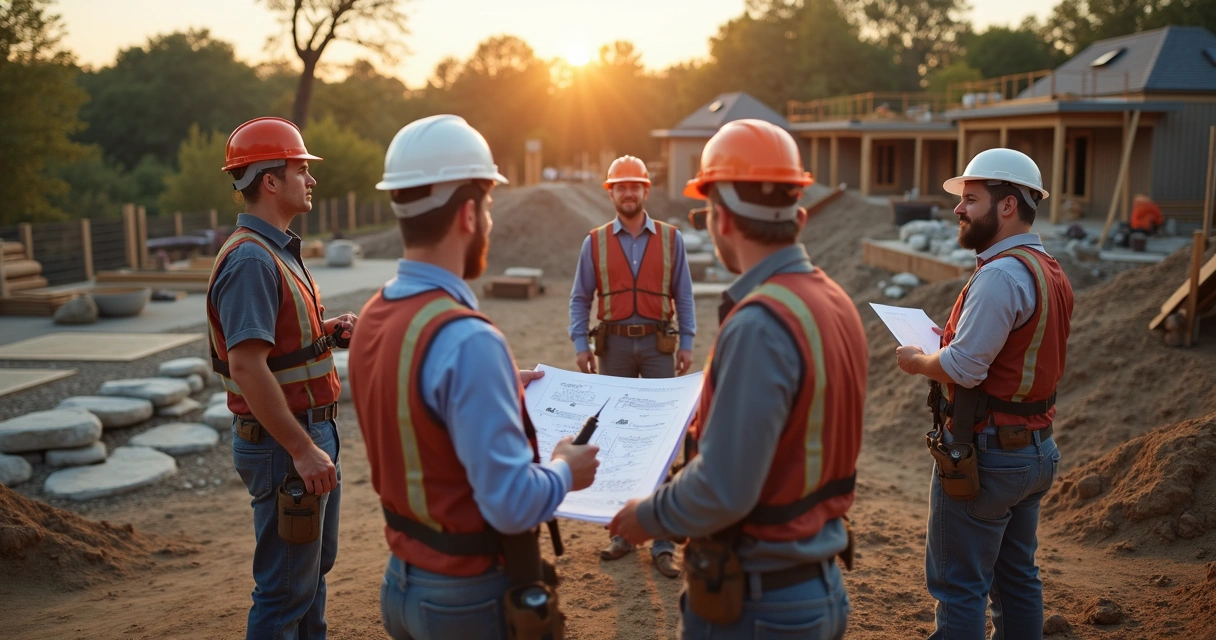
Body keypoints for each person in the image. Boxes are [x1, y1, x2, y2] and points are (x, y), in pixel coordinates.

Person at [609, 119, 867, 639]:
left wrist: (647, 515)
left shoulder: (759, 323)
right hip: (813, 583)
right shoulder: (832, 300)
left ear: (720, 219)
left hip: (758, 601)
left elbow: (723, 488)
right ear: (797, 214)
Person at [348, 114, 601, 640]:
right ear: (468, 214)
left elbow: (415, 402)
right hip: (465, 602)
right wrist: (563, 470)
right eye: (487, 208)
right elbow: (510, 506)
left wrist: (498, 384)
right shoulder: (468, 342)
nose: (489, 221)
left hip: (403, 584)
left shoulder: (376, 315)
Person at [894, 147, 1074, 639]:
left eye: (970, 198)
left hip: (990, 456)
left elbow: (964, 368)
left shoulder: (999, 275)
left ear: (1008, 205)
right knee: (1017, 577)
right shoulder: (1048, 269)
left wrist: (919, 362)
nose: (958, 209)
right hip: (1035, 451)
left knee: (959, 586)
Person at [207, 117, 355, 639]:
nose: (311, 180)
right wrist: (300, 448)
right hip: (285, 442)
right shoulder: (251, 259)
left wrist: (328, 330)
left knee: (311, 576)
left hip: (305, 435)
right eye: (301, 169)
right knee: (284, 589)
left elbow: (275, 346)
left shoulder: (274, 249)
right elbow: (247, 367)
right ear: (270, 180)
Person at [568, 154, 696, 577]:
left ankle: (661, 539)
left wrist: (688, 342)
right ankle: (622, 533)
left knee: (660, 440)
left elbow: (685, 294)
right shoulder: (595, 241)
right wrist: (579, 342)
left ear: (645, 189)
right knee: (619, 442)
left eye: (634, 185)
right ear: (611, 193)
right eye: (619, 186)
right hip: (614, 348)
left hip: (660, 347)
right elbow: (580, 298)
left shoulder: (672, 238)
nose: (627, 192)